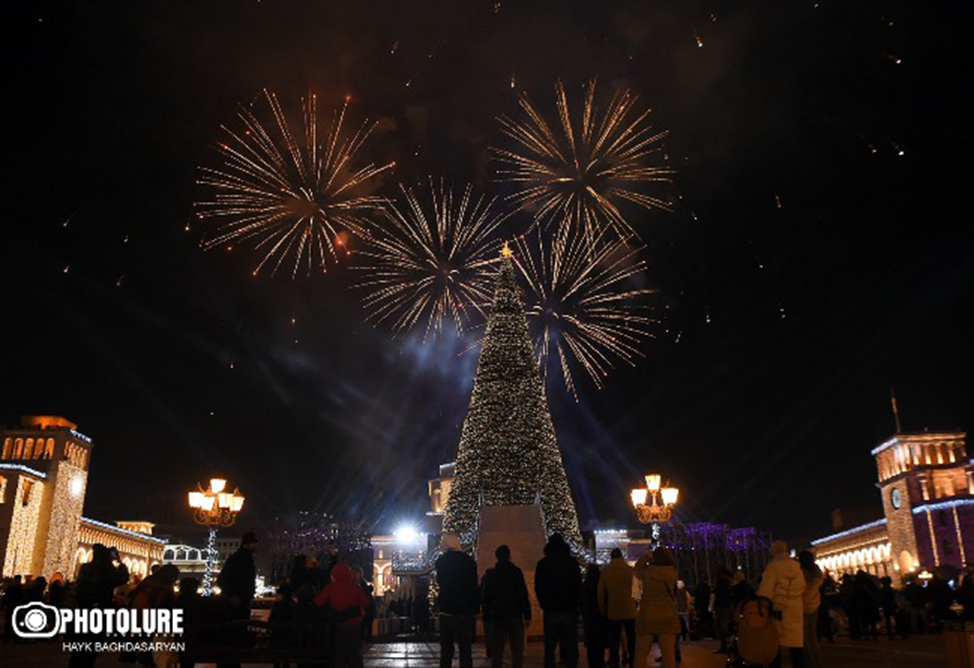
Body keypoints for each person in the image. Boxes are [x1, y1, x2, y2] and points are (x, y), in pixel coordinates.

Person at [70, 544, 130, 668]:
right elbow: (122, 578)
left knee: (80, 646)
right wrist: (120, 562)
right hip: (100, 610)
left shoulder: (86, 568)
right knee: (92, 647)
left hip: (84, 610)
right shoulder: (107, 570)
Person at [535, 533, 582, 668]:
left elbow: (539, 587)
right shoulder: (572, 562)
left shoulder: (543, 564)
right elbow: (578, 585)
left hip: (551, 611)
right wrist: (577, 605)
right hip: (569, 610)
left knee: (549, 648)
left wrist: (544, 605)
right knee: (571, 646)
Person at [757, 540, 805, 668]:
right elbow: (803, 587)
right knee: (796, 645)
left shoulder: (773, 567)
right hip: (796, 608)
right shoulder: (797, 566)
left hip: (778, 609)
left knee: (775, 644)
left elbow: (765, 591)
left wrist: (761, 606)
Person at [482, 545, 531, 668]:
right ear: (509, 556)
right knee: (517, 652)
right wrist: (527, 614)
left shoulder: (491, 574)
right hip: (515, 614)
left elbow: (486, 595)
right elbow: (522, 594)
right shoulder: (516, 572)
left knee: (497, 651)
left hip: (498, 615)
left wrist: (486, 613)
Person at [434, 533, 479, 668]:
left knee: (446, 649)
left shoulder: (441, 562)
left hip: (446, 608)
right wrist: (475, 607)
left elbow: (441, 582)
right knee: (465, 648)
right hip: (464, 609)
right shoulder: (468, 561)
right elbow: (473, 586)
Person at [316, 562, 370, 668]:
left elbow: (319, 601)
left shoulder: (331, 587)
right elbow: (365, 602)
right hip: (354, 623)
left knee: (339, 651)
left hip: (338, 624)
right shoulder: (355, 587)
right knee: (354, 651)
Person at [633, 547, 680, 668]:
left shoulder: (647, 572)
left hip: (648, 615)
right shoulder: (673, 572)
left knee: (640, 654)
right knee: (669, 654)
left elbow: (637, 569)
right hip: (668, 615)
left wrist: (646, 557)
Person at [598, 548, 636, 668]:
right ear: (621, 557)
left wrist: (603, 608)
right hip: (630, 609)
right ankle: (633, 659)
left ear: (611, 557)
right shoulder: (630, 571)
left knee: (614, 638)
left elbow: (601, 593)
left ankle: (614, 659)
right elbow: (637, 591)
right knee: (631, 637)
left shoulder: (606, 572)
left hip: (613, 610)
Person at [217, 531, 259, 620]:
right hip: (238, 600)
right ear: (248, 544)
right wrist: (233, 595)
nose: (256, 546)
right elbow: (228, 578)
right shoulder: (243, 558)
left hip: (238, 598)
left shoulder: (240, 557)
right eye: (254, 544)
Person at [798, 551, 823, 668]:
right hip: (815, 604)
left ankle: (810, 664)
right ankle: (817, 663)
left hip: (803, 606)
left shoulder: (803, 573)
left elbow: (803, 590)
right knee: (812, 637)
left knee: (805, 639)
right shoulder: (817, 571)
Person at [582, 564, 606, 668]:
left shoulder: (585, 586)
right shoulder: (601, 584)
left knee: (591, 644)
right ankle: (600, 662)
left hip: (589, 617)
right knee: (599, 642)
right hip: (600, 616)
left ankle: (592, 663)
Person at [712, 570, 734, 653]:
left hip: (721, 606)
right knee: (723, 625)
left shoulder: (720, 584)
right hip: (725, 606)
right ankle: (727, 643)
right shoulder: (728, 584)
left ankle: (724, 644)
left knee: (721, 626)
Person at [2, 575, 24, 642]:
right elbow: (6, 597)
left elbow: (22, 597)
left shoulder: (20, 588)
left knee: (16, 622)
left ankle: (15, 636)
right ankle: (7, 637)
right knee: (9, 622)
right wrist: (3, 605)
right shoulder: (11, 588)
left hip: (16, 607)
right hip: (11, 606)